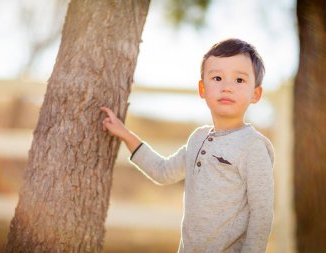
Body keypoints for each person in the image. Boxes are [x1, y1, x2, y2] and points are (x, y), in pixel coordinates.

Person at [100, 38, 274, 253]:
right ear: (203, 89)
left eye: (239, 80)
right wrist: (125, 134)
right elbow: (163, 172)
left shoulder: (253, 146)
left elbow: (262, 213)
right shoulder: (198, 139)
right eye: (217, 78)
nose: (227, 87)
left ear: (255, 94)